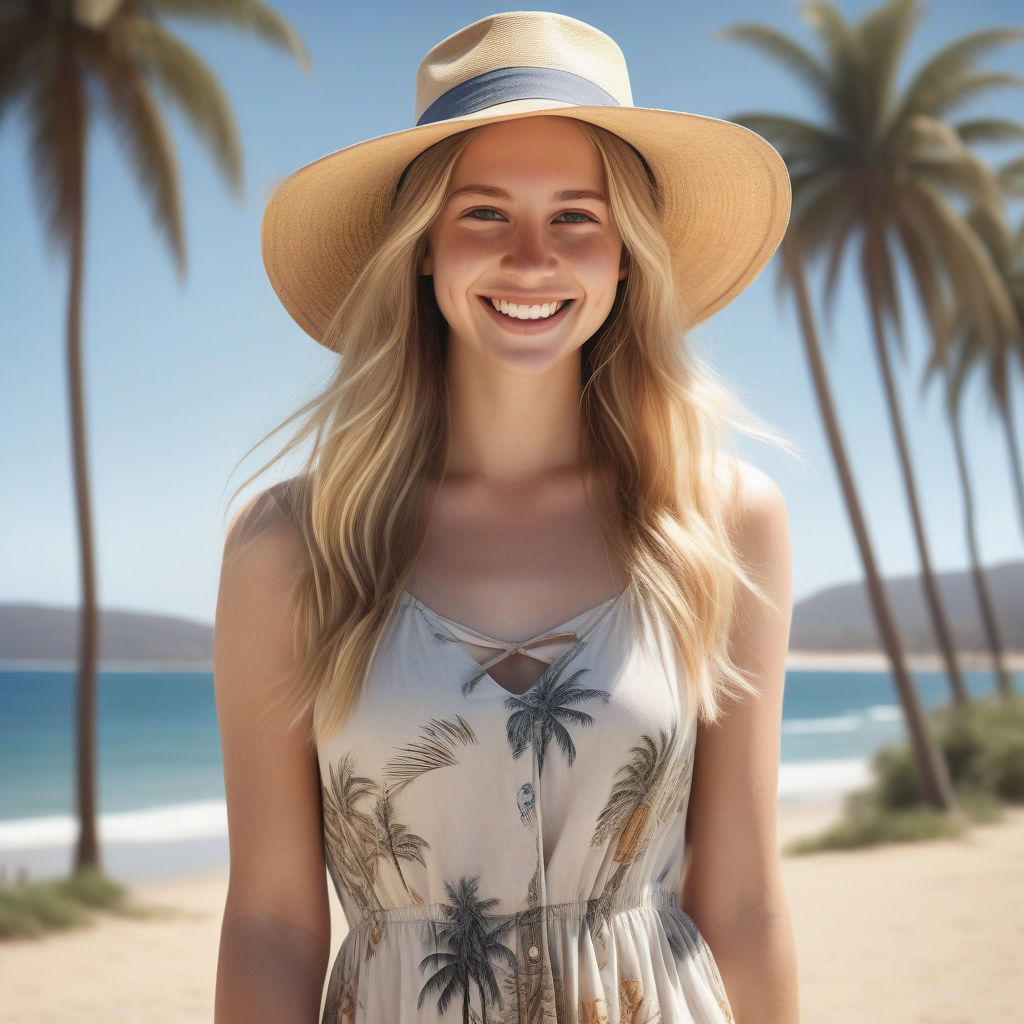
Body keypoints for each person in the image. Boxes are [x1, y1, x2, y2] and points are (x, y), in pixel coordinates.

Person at [213, 10, 799, 1024]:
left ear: (625, 257)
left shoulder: (724, 521)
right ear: (424, 252)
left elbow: (741, 896)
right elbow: (272, 919)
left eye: (577, 216)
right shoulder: (289, 549)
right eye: (485, 214)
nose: (533, 258)